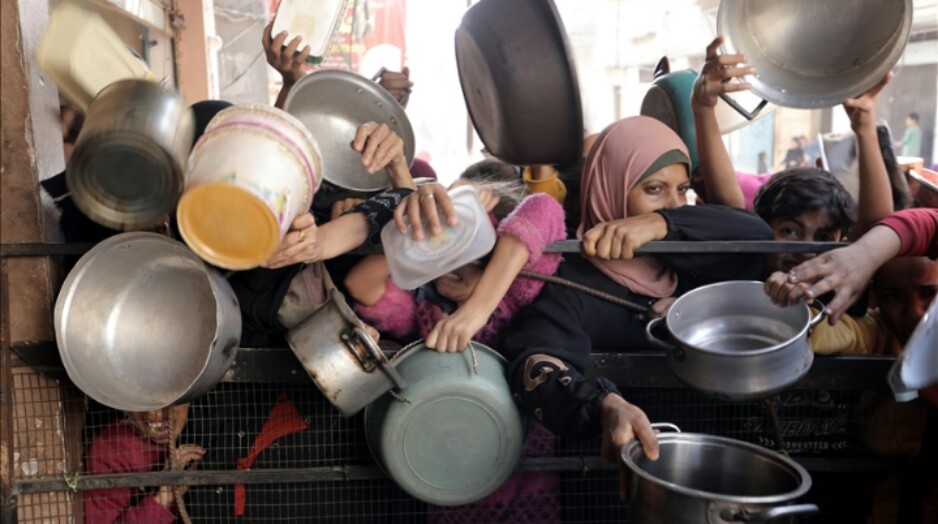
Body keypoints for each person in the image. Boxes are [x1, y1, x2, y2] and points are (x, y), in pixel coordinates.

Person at [498, 116, 774, 500]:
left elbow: (758, 237)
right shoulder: (572, 280)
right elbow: (535, 365)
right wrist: (604, 405)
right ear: (609, 188)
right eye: (654, 189)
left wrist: (661, 222)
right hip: (607, 485)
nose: (676, 204)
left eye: (683, 190)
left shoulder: (696, 266)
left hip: (707, 480)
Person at [85, 404, 202, 523]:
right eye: (146, 401)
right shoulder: (112, 447)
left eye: (170, 401)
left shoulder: (207, 426)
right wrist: (164, 498)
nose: (157, 413)